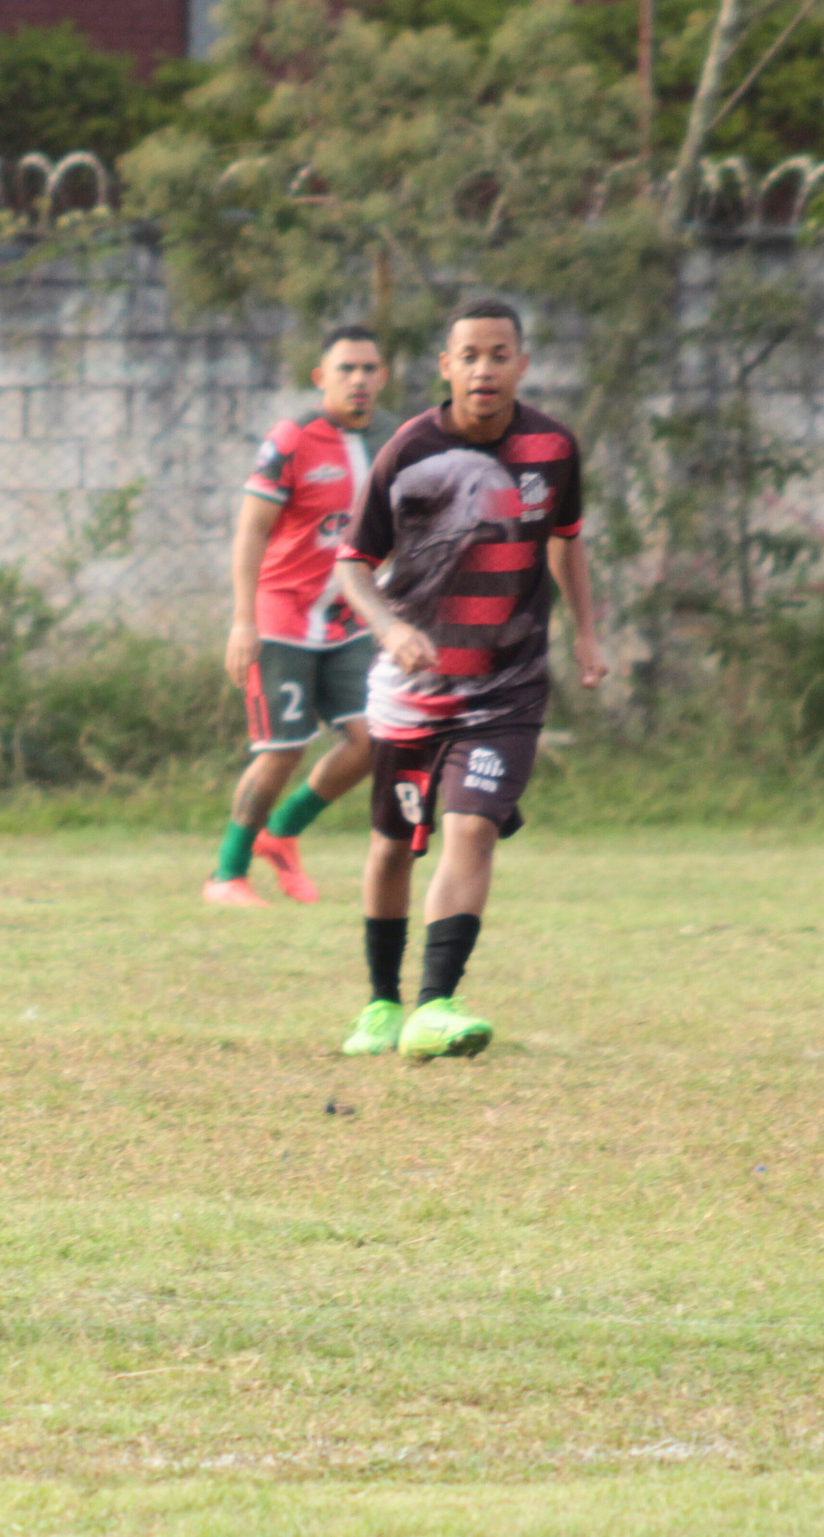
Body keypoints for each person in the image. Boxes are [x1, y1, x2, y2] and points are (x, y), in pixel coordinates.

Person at [333, 298, 606, 1059]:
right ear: (445, 367)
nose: (485, 368)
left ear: (522, 363)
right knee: (393, 844)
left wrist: (586, 630)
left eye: (500, 353)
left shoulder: (554, 446)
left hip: (508, 686)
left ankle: (435, 1003)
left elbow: (568, 540)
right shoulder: (407, 450)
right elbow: (352, 565)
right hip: (413, 688)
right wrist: (390, 626)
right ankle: (382, 1004)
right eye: (470, 355)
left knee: (472, 826)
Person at [204, 326, 395, 908]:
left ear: (382, 377)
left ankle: (282, 834)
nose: (358, 380)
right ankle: (226, 877)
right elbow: (251, 529)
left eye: (369, 369)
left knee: (374, 740)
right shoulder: (292, 439)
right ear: (322, 379)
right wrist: (243, 621)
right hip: (281, 619)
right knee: (282, 750)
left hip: (347, 621)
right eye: (346, 370)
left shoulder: (395, 443)